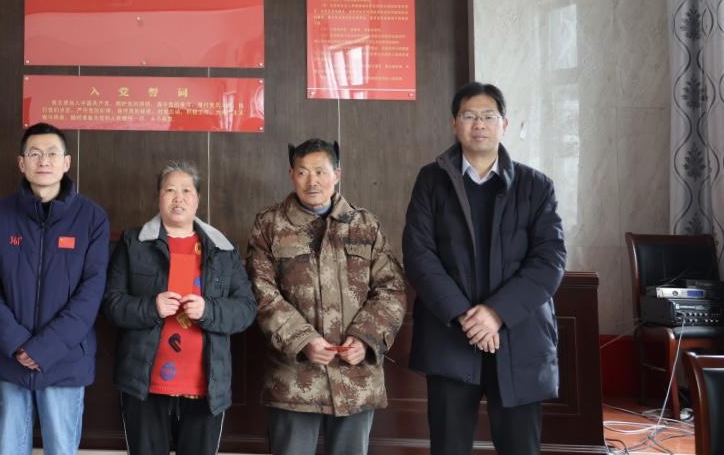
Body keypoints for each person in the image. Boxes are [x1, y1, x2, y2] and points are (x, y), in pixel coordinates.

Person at [402, 82, 566, 455]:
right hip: (450, 336)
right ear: (454, 124)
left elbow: (550, 260)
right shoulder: (431, 181)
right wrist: (465, 316)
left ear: (504, 124)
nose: (479, 124)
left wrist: (495, 314)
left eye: (489, 116)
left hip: (519, 336)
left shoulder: (536, 186)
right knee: (449, 447)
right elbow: (418, 254)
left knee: (520, 447)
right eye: (469, 116)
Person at [246, 139, 407, 455]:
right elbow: (261, 291)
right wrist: (303, 340)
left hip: (355, 377)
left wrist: (366, 339)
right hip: (294, 380)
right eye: (303, 172)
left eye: (320, 171)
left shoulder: (365, 225)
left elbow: (391, 288)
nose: (312, 181)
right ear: (291, 175)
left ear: (337, 174)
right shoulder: (269, 225)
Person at [103, 161, 257, 455]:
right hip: (145, 386)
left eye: (186, 191)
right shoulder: (134, 243)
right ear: (158, 197)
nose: (178, 198)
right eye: (170, 190)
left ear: (197, 199)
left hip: (205, 388)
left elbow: (246, 309)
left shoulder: (223, 248)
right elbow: (111, 304)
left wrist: (209, 311)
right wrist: (151, 307)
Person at [0, 122, 110, 455]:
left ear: (66, 163)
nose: (44, 161)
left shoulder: (92, 218)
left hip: (65, 363)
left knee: (61, 450)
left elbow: (91, 293)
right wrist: (18, 344)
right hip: (12, 360)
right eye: (34, 154)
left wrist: (44, 349)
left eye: (52, 153)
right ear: (21, 163)